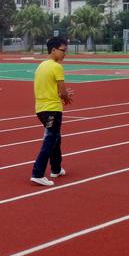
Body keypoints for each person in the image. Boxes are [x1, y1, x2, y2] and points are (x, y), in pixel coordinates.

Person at [30, 36, 73, 186]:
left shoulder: (41, 66)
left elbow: (49, 88)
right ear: (53, 50)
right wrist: (66, 97)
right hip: (52, 110)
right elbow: (62, 90)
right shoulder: (56, 67)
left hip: (40, 109)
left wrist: (62, 94)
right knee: (50, 139)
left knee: (55, 137)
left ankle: (56, 168)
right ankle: (38, 172)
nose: (64, 54)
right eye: (62, 50)